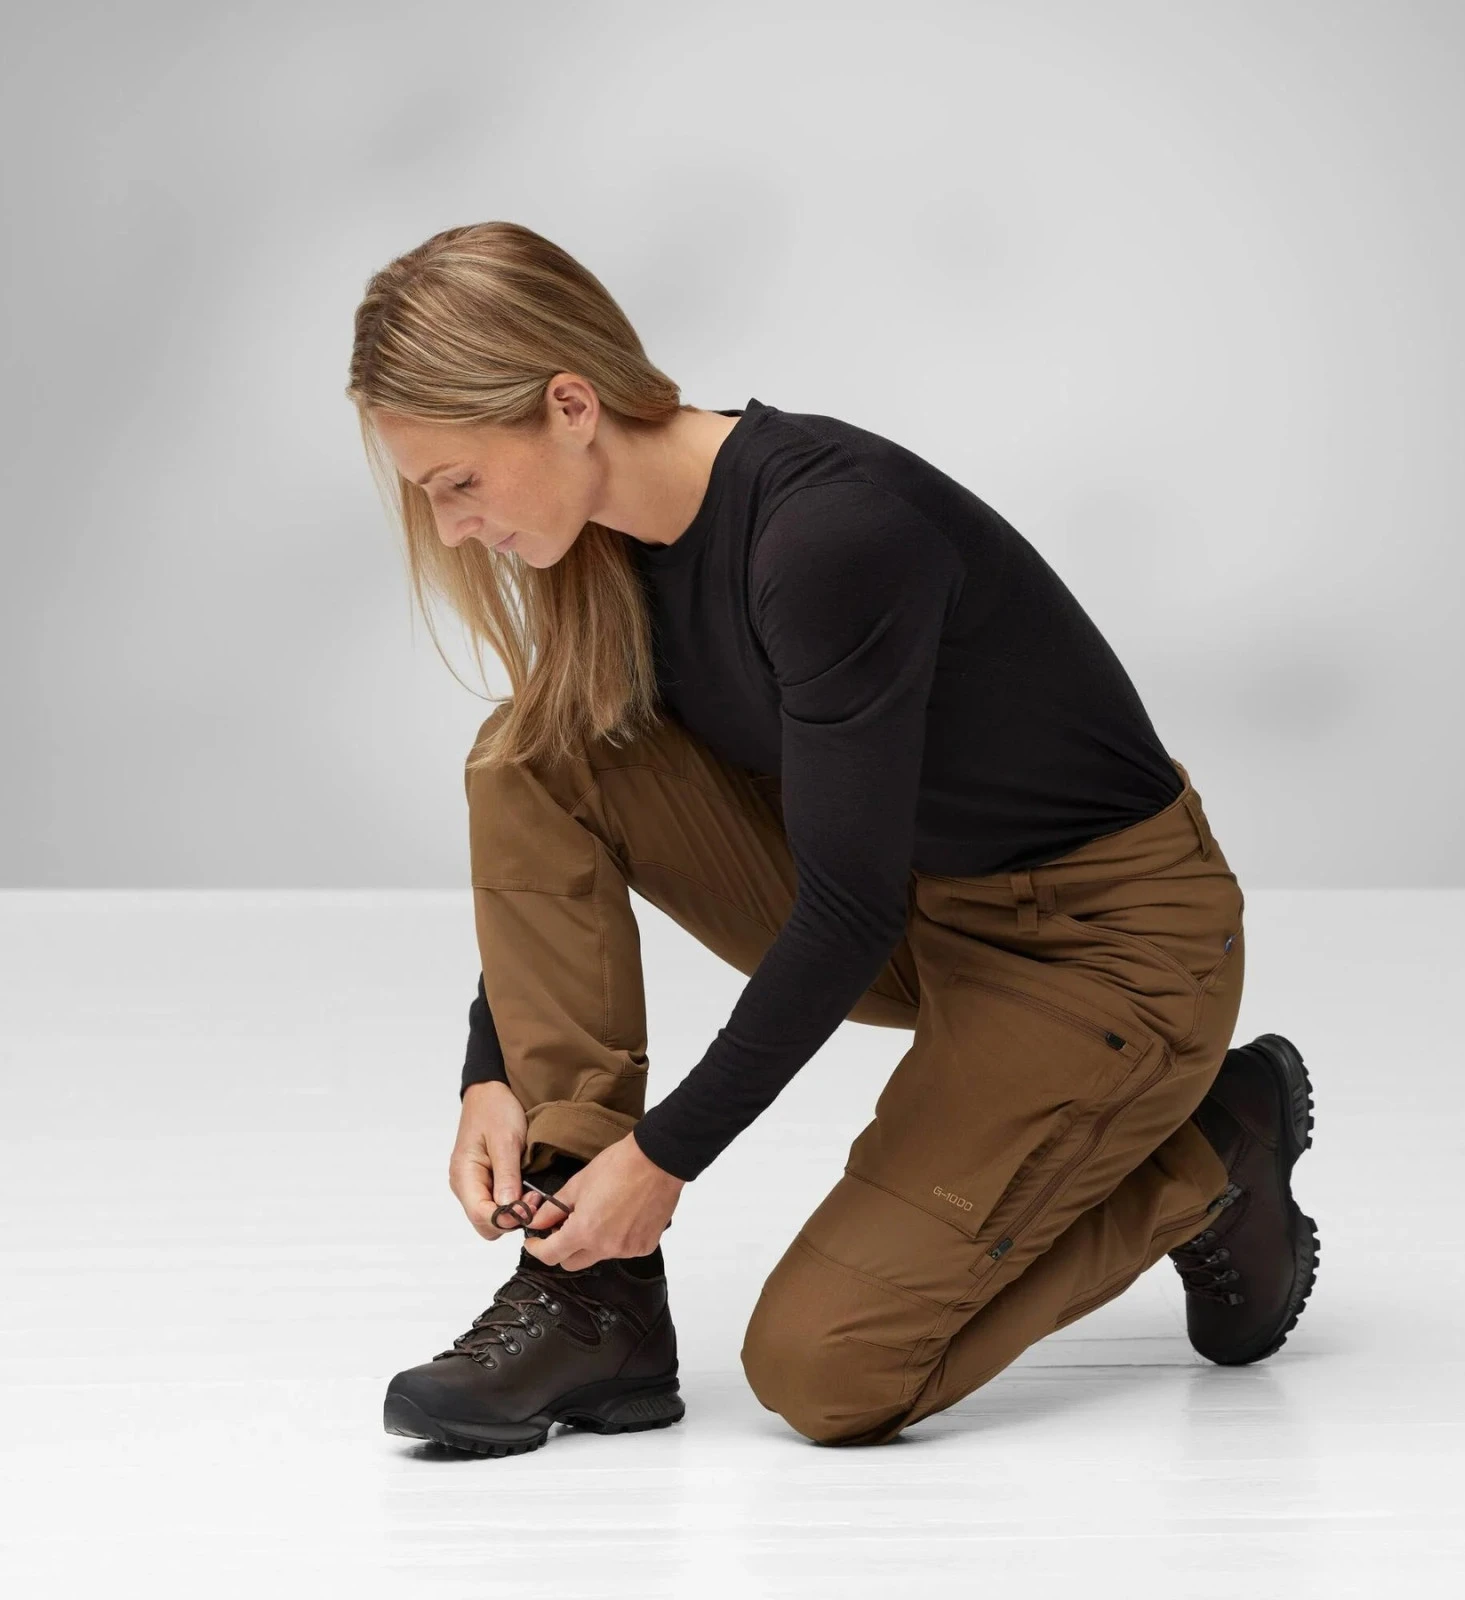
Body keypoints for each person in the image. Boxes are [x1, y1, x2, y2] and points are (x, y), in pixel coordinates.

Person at [345, 221, 1319, 1457]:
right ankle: (592, 1298)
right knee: (534, 751)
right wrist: (492, 1069)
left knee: (825, 1370)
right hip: (918, 902)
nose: (449, 529)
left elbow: (845, 911)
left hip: (1101, 951)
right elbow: (578, 817)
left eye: (458, 484)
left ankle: (1211, 1151)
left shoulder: (827, 537)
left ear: (570, 407)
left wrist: (664, 1156)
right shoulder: (605, 544)